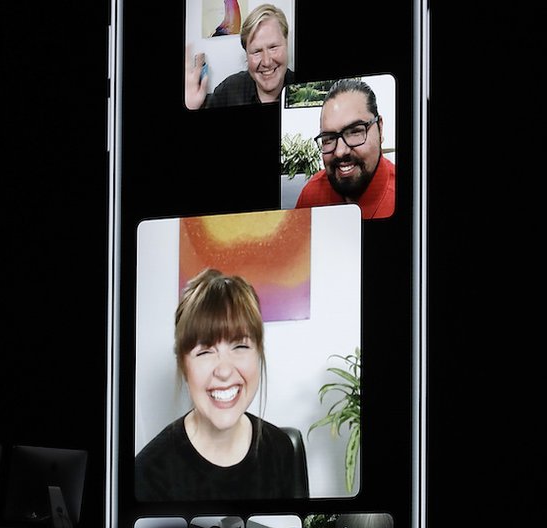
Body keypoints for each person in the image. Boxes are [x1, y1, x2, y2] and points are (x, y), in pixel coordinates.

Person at [134, 267, 297, 501]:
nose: (223, 370)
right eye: (205, 351)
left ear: (259, 352)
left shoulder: (282, 450)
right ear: (182, 364)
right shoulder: (147, 474)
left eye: (240, 346)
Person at [295, 78, 395, 219]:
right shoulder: (311, 196)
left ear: (380, 128)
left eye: (355, 131)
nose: (340, 151)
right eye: (328, 138)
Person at [185, 4, 294, 110]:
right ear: (246, 55)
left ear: (286, 43)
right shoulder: (228, 90)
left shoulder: (305, 87)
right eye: (256, 51)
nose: (266, 61)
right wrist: (191, 107)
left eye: (273, 47)